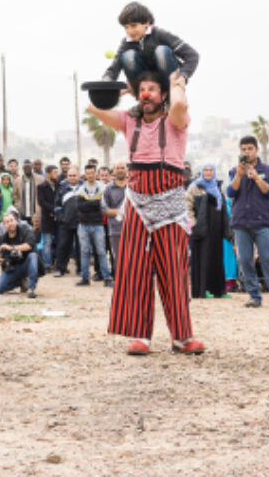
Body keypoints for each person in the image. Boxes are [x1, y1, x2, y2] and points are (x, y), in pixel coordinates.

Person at [88, 69, 204, 355]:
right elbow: (94, 106)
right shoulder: (129, 120)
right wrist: (123, 90)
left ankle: (181, 337)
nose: (147, 95)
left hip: (171, 206)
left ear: (162, 93)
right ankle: (141, 335)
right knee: (134, 270)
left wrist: (176, 84)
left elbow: (179, 105)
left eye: (153, 89)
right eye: (142, 90)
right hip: (138, 203)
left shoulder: (176, 119)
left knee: (174, 272)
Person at [228, 136, 269, 309]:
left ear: (256, 150)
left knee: (268, 258)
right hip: (241, 222)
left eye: (249, 149)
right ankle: (254, 296)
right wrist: (239, 176)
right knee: (245, 260)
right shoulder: (234, 170)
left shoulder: (268, 170)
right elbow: (231, 192)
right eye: (244, 149)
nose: (246, 152)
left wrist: (256, 178)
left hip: (261, 222)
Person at [101, 1, 200, 89]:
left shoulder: (160, 34)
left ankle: (170, 89)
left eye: (133, 25)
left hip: (168, 79)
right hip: (146, 80)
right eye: (126, 27)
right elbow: (114, 67)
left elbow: (192, 55)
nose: (129, 31)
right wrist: (106, 80)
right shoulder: (127, 42)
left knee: (161, 51)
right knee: (127, 56)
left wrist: (183, 76)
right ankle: (142, 90)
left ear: (147, 23)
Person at [185, 163, 228, 298]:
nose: (208, 173)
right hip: (201, 229)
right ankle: (204, 289)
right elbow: (187, 206)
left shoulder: (218, 187)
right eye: (205, 170)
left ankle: (218, 290)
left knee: (216, 257)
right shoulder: (195, 187)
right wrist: (194, 224)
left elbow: (222, 208)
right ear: (202, 172)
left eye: (210, 170)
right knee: (203, 258)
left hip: (216, 228)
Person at [75, 163, 111, 287]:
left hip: (98, 224)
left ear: (96, 174)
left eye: (92, 173)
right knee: (84, 252)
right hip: (83, 225)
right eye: (88, 173)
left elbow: (102, 206)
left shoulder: (103, 188)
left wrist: (89, 204)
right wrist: (94, 203)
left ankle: (107, 278)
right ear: (85, 174)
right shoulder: (81, 188)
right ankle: (85, 278)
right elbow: (79, 207)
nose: (90, 175)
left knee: (101, 251)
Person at [0, 211, 39, 298]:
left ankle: (31, 288)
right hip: (13, 267)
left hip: (27, 264)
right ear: (4, 225)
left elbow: (29, 245)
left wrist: (11, 248)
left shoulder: (26, 231)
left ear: (16, 221)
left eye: (12, 220)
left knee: (32, 256)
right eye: (7, 222)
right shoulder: (2, 238)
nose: (10, 223)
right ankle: (20, 282)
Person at [103, 161, 128, 278]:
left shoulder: (133, 187)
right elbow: (104, 209)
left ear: (127, 169)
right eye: (117, 168)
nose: (120, 170)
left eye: (122, 168)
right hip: (115, 229)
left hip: (133, 229)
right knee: (118, 257)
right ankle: (120, 282)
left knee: (134, 257)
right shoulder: (109, 188)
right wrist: (122, 212)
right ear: (114, 171)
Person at [53, 167, 80, 277]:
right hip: (66, 224)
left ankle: (81, 269)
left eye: (74, 175)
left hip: (80, 223)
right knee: (63, 246)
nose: (72, 177)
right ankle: (60, 269)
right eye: (70, 175)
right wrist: (62, 218)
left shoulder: (83, 188)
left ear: (78, 176)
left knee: (81, 247)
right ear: (67, 177)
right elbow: (57, 206)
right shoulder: (61, 189)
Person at [36, 165, 60, 275]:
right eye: (55, 172)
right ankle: (47, 265)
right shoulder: (41, 187)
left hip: (60, 218)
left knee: (60, 242)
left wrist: (58, 211)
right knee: (47, 242)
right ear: (48, 174)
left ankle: (59, 265)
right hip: (47, 218)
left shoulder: (60, 186)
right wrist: (53, 209)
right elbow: (41, 202)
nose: (57, 174)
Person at [13, 158, 44, 224]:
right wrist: (18, 205)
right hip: (23, 213)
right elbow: (15, 195)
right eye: (25, 168)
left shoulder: (40, 179)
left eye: (28, 168)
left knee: (36, 232)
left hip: (36, 213)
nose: (27, 170)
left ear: (32, 168)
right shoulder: (17, 181)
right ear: (23, 169)